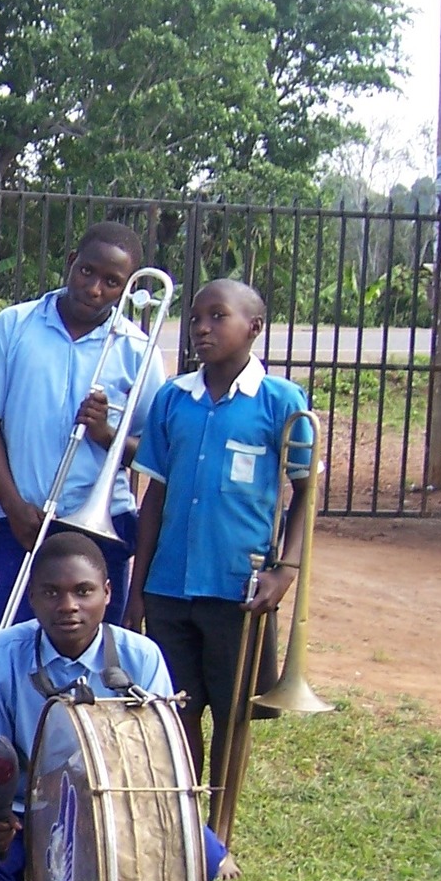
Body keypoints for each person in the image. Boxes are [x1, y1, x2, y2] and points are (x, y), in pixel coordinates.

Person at [0, 532, 237, 881]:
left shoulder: (141, 657)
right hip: (26, 811)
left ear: (107, 593)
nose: (68, 606)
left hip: (116, 811)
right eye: (51, 593)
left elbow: (155, 760)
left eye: (83, 591)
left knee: (202, 861)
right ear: (31, 596)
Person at [126, 279, 313, 780]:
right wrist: (138, 588)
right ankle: (189, 825)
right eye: (195, 319)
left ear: (254, 328)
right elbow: (155, 497)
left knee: (234, 715)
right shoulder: (172, 400)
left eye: (217, 316)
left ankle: (220, 829)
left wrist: (286, 572)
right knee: (175, 711)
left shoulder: (282, 402)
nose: (202, 328)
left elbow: (306, 494)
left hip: (239, 590)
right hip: (169, 587)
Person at [0, 222, 158, 670]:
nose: (95, 289)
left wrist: (106, 434)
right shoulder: (16, 325)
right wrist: (12, 504)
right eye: (87, 272)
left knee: (92, 655)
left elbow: (152, 451)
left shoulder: (136, 349)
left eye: (112, 283)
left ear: (127, 289)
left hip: (102, 526)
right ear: (71, 262)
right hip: (21, 521)